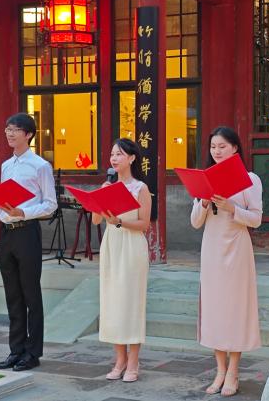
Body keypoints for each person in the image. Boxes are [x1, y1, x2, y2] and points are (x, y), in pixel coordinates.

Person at [0, 113, 57, 371]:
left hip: (27, 232)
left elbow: (51, 205)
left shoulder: (40, 166)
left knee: (31, 294)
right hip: (7, 233)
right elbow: (4, 202)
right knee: (12, 294)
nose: (9, 134)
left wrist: (24, 212)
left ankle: (32, 353)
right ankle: (16, 350)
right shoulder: (6, 165)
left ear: (29, 134)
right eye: (7, 129)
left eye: (15, 129)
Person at [190, 126, 263, 397]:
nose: (217, 151)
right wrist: (203, 203)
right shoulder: (205, 178)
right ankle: (219, 369)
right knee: (214, 308)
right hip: (211, 248)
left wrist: (233, 208)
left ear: (235, 148)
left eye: (222, 146)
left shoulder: (250, 179)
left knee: (235, 308)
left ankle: (233, 370)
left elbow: (257, 218)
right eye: (213, 147)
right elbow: (195, 222)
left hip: (236, 248)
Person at [91, 138, 151, 383]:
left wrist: (120, 222)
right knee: (113, 302)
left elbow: (144, 224)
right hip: (112, 244)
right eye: (112, 154)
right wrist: (101, 196)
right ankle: (119, 359)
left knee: (131, 302)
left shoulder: (140, 188)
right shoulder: (108, 186)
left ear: (132, 158)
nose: (114, 158)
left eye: (119, 154)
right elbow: (96, 220)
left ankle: (134, 361)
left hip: (132, 246)